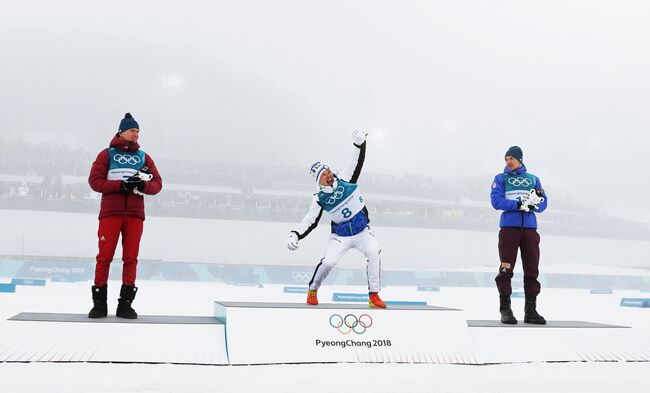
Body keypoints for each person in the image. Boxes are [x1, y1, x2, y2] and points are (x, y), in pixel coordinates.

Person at [287, 130, 386, 308]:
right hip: (340, 236)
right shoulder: (319, 198)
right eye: (324, 174)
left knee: (374, 251)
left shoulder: (344, 178)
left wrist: (359, 144)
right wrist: (295, 234)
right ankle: (313, 289)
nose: (329, 174)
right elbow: (310, 220)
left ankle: (374, 294)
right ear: (319, 181)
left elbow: (355, 162)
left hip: (362, 231)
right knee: (329, 261)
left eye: (329, 170)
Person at [87, 113, 162, 319]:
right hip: (111, 213)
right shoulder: (106, 155)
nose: (136, 134)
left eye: (138, 131)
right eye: (132, 130)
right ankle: (99, 304)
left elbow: (157, 185)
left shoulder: (144, 157)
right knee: (104, 257)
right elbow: (95, 181)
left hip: (135, 215)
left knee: (131, 258)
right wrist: (120, 185)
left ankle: (125, 304)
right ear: (121, 132)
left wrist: (142, 185)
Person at [490, 146, 547, 325]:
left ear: (520, 159)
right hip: (509, 230)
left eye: (511, 158)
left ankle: (530, 311)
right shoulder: (500, 178)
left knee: (532, 270)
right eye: (506, 159)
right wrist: (518, 204)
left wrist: (533, 205)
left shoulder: (533, 179)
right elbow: (496, 201)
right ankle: (505, 310)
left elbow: (544, 203)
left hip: (530, 230)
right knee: (506, 269)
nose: (508, 161)